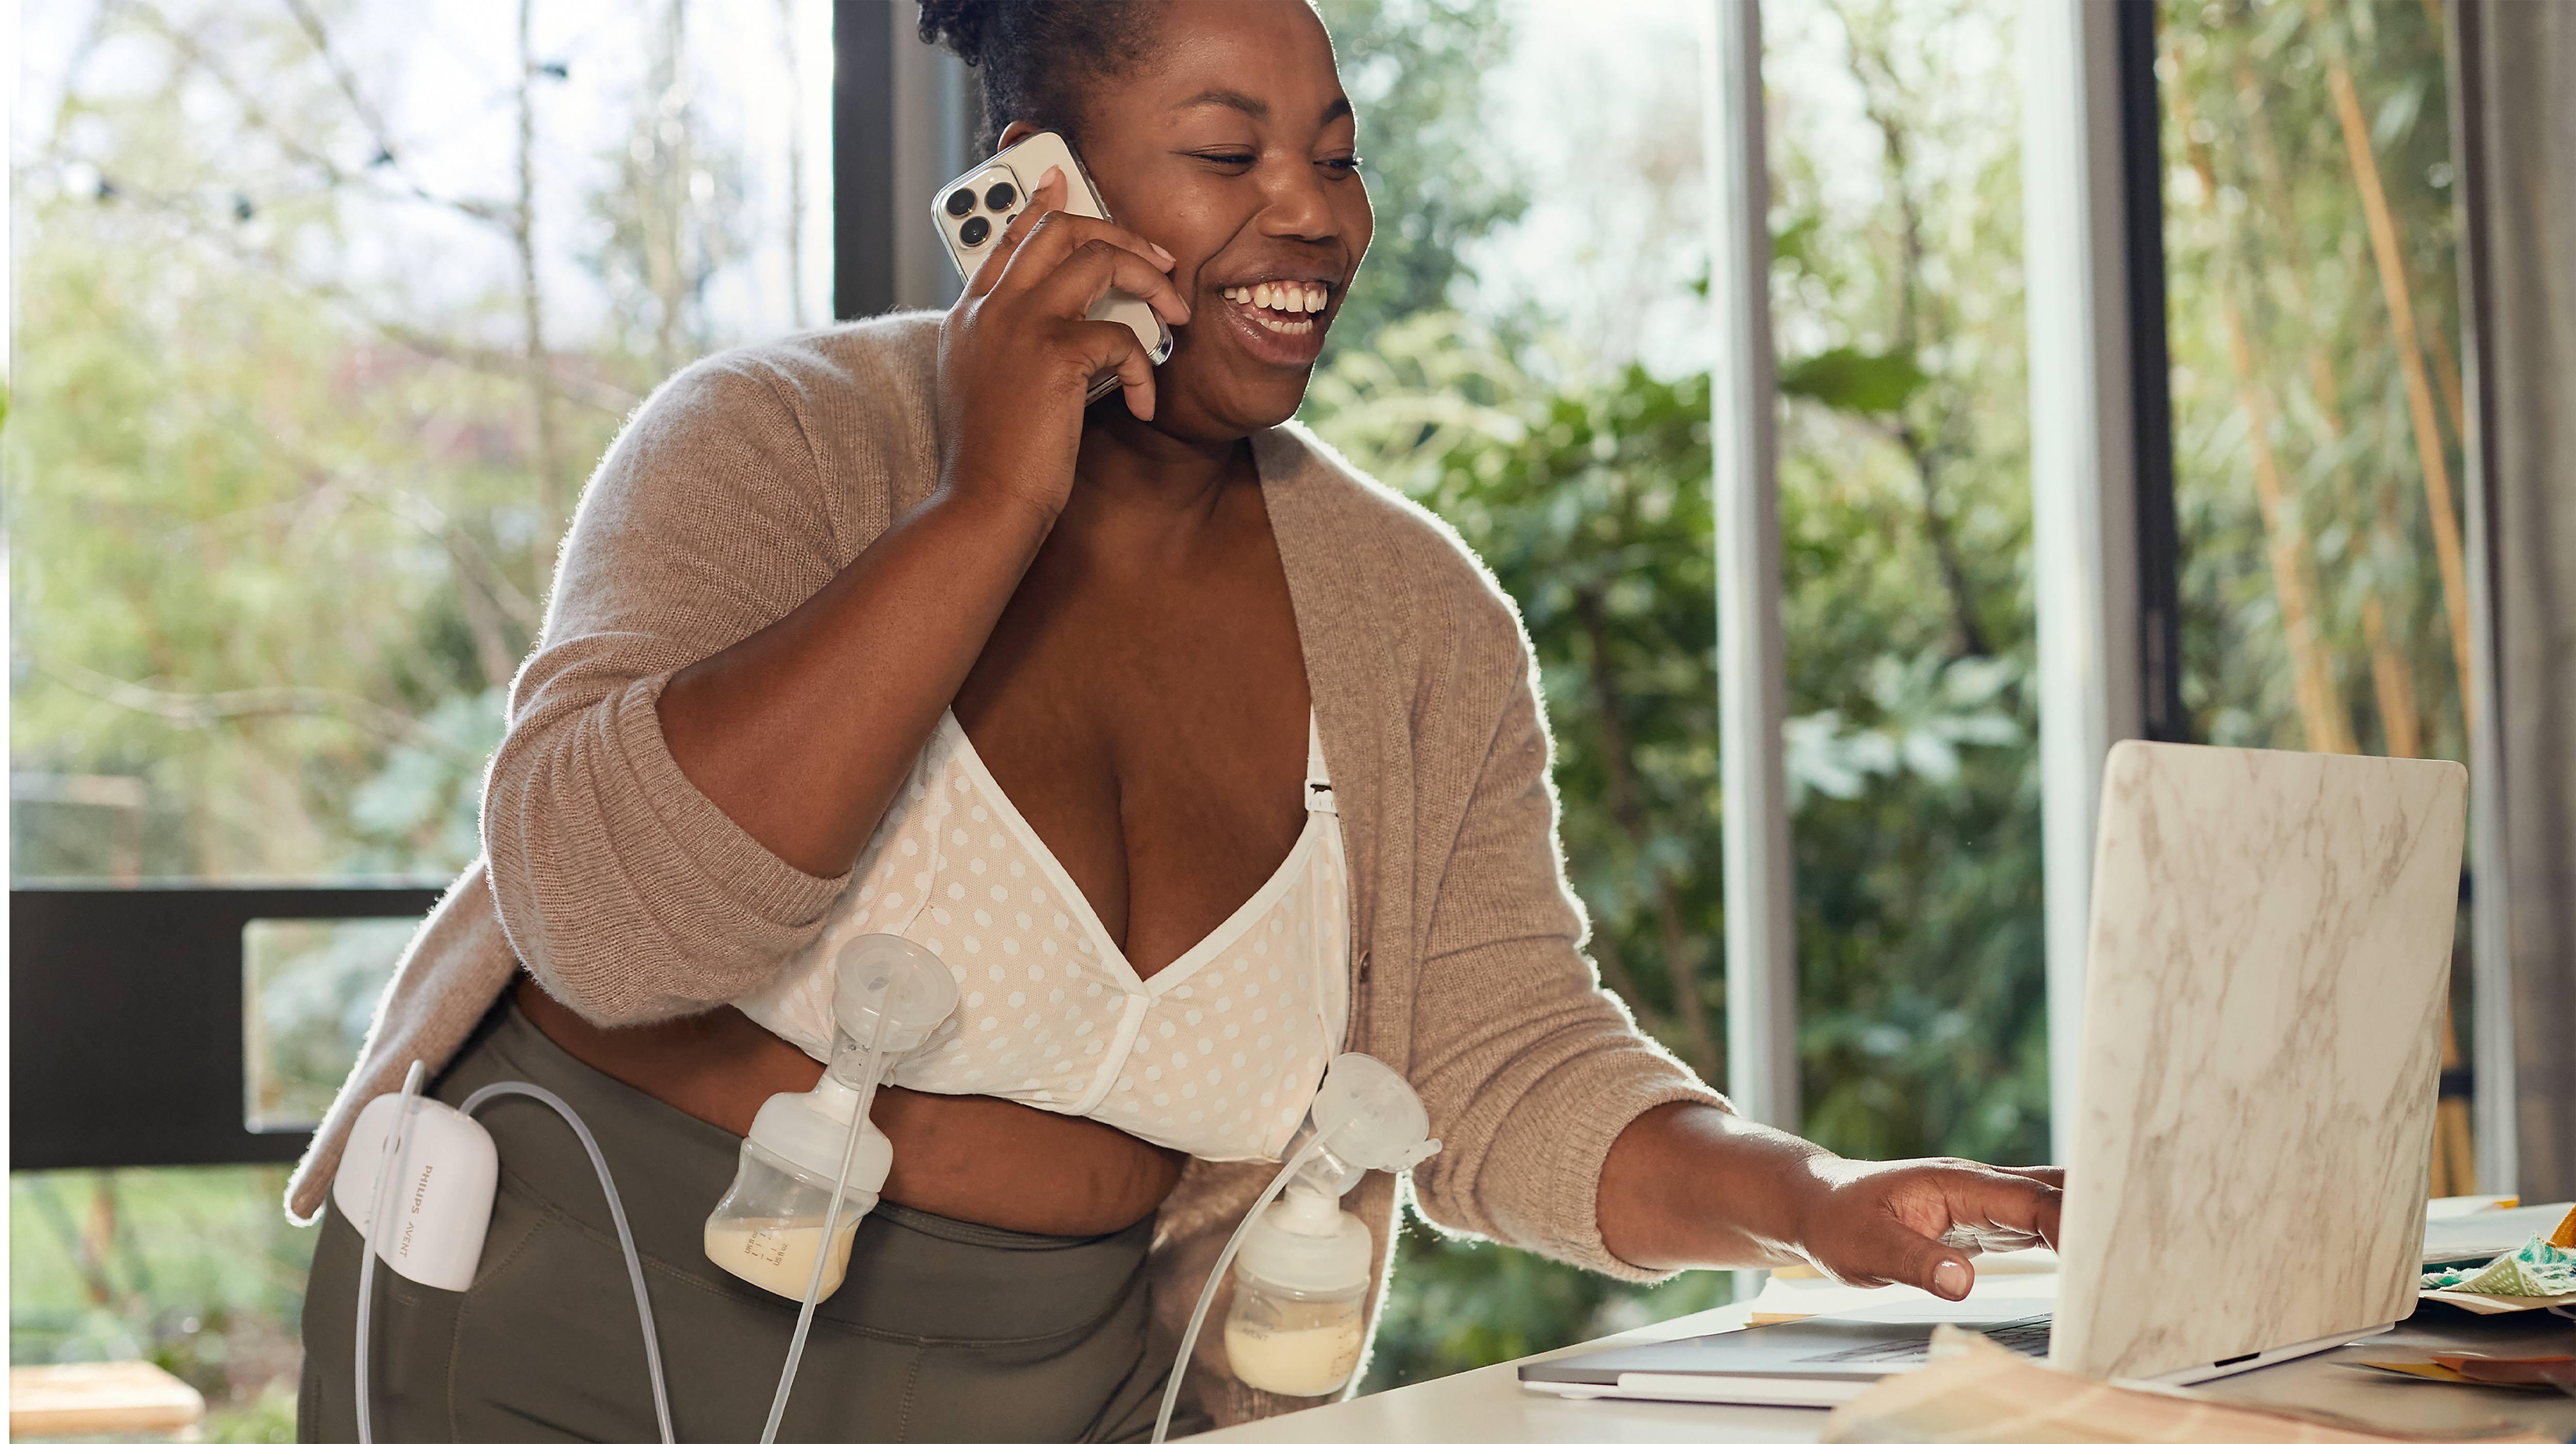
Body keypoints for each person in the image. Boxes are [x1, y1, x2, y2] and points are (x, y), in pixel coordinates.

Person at [289, 0, 2061, 1437]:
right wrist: (987, 504)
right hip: (570, 1327)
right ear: (1033, 185)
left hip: (1059, 1389)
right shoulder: (769, 443)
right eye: (1228, 153)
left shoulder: (1416, 618)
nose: (1315, 211)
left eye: (1339, 157)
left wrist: (1813, 1199)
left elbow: (1503, 1060)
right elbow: (601, 917)